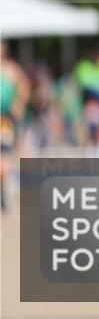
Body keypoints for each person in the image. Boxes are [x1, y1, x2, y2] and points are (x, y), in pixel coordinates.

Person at [0, 41, 31, 212]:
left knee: (4, 154)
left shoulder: (10, 69)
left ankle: (6, 189)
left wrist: (17, 106)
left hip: (4, 119)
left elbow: (24, 87)